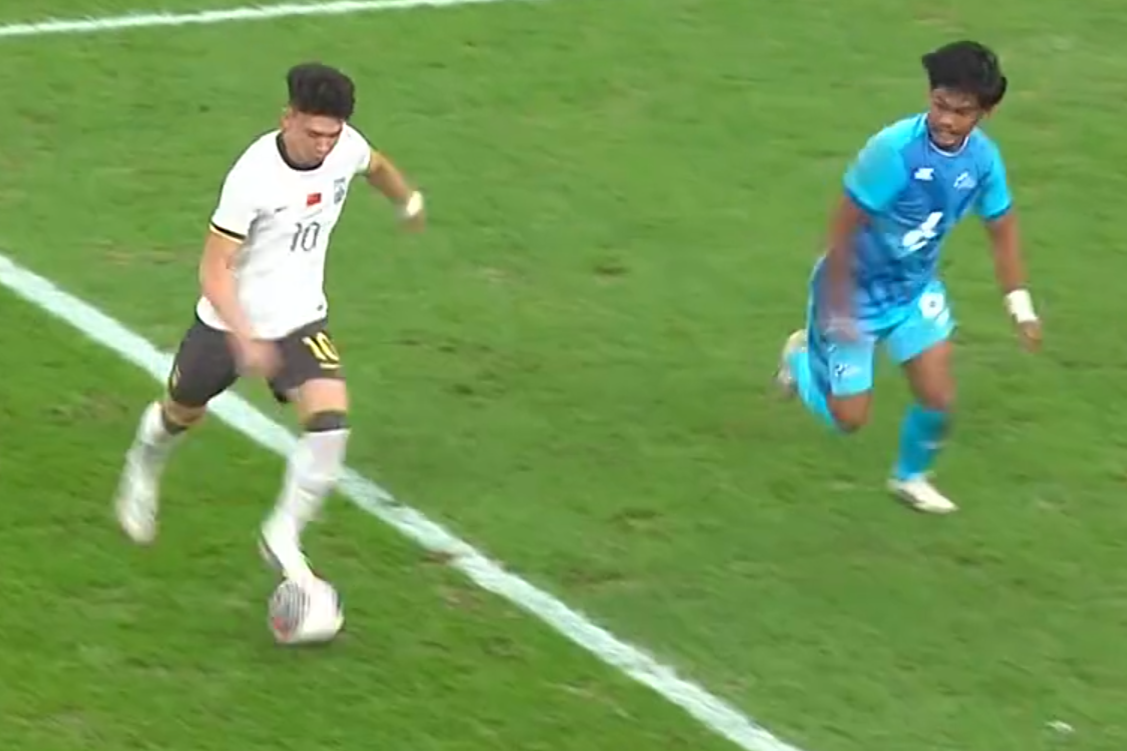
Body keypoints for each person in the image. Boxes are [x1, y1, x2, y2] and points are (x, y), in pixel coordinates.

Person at [113, 62, 425, 583]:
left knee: (330, 426)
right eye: (314, 133)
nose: (324, 145)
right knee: (181, 412)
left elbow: (375, 165)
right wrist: (244, 335)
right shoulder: (253, 177)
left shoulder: (345, 147)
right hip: (227, 323)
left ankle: (282, 534)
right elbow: (213, 269)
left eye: (332, 134)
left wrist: (408, 201)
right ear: (288, 118)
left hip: (301, 318)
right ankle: (144, 464)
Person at [775, 40, 1042, 514]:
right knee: (849, 419)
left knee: (938, 397)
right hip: (853, 290)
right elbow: (840, 229)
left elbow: (1002, 229)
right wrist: (839, 306)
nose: (946, 120)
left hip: (913, 290)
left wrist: (1020, 307)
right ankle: (798, 358)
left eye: (961, 111)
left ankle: (909, 478)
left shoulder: (983, 162)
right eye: (940, 104)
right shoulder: (893, 152)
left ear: (986, 112)